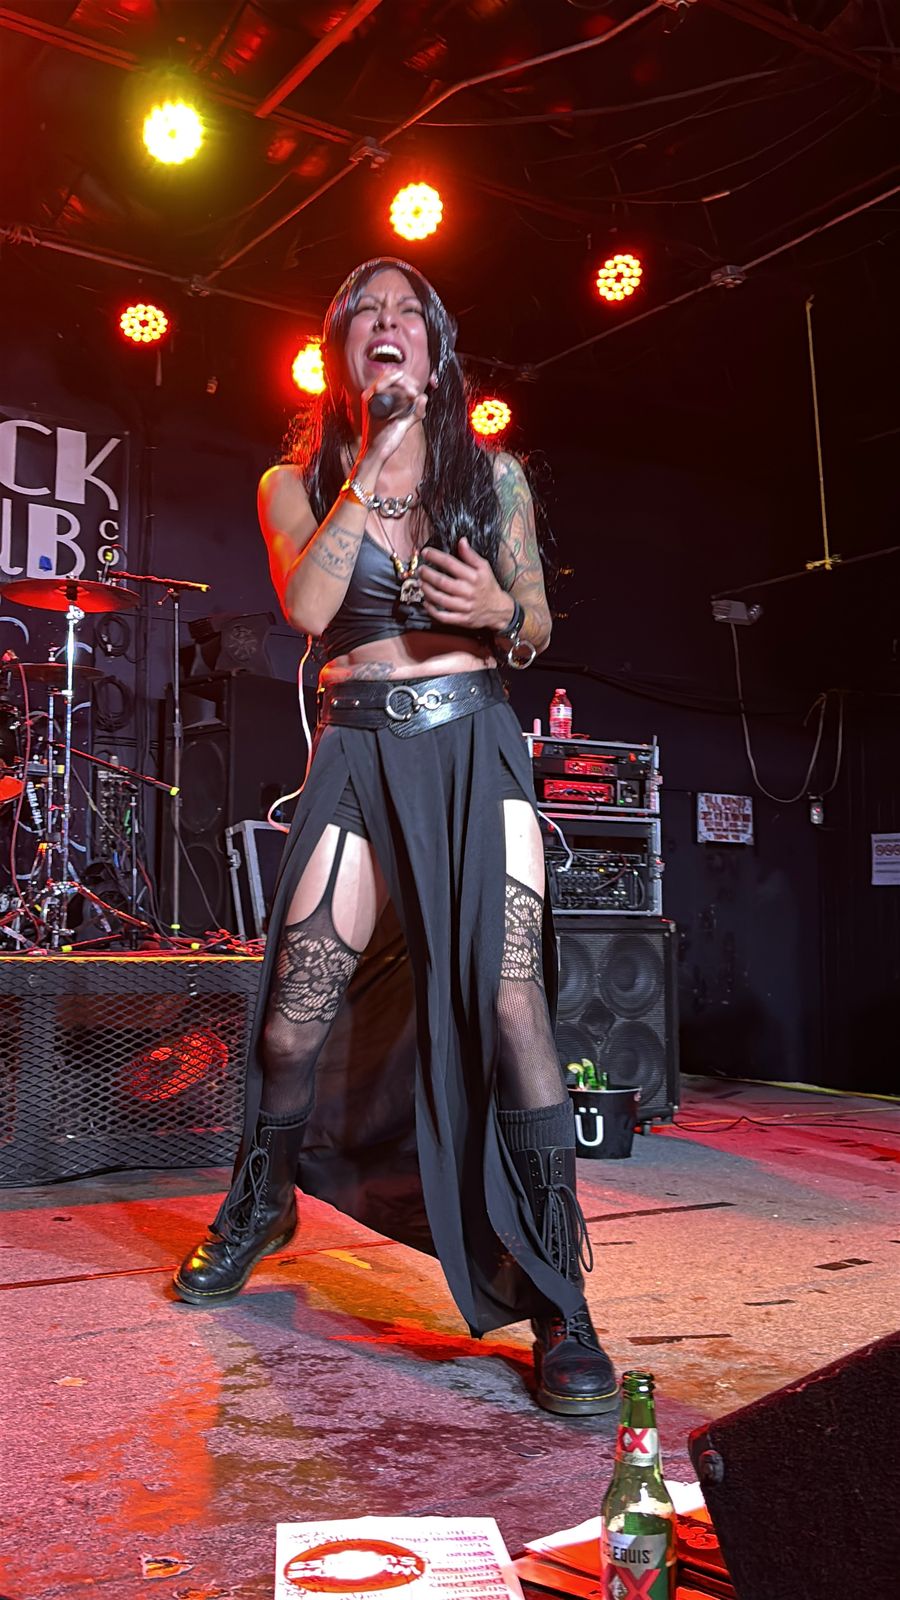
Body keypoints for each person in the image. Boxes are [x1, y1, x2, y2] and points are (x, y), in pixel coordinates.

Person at [173, 257, 617, 1417]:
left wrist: (502, 613)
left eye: (405, 311)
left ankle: (559, 1295)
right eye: (363, 312)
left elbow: (536, 617)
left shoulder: (491, 476)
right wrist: (371, 461)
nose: (385, 323)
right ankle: (264, 1201)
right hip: (359, 751)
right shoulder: (295, 481)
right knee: (292, 1019)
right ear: (340, 354)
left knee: (515, 1005)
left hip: (475, 745)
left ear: (434, 345)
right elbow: (309, 608)